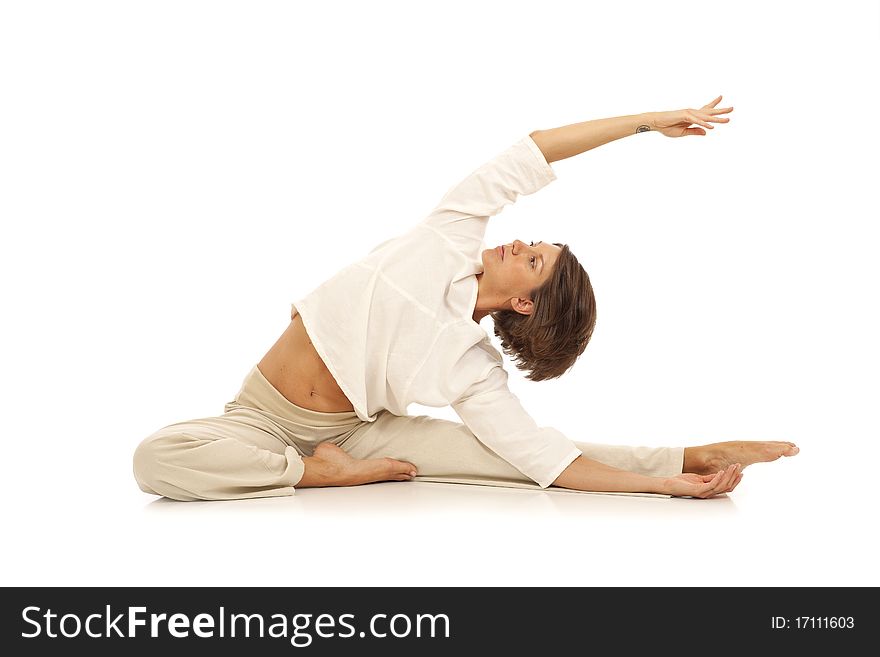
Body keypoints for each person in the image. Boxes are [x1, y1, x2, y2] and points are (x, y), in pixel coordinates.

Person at [132, 95, 798, 502]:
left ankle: (691, 454)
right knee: (156, 458)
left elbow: (547, 460)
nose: (518, 245)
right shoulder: (452, 232)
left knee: (507, 457)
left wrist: (663, 483)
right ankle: (311, 473)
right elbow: (530, 150)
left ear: (527, 305)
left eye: (533, 260)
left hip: (359, 432)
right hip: (259, 416)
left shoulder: (471, 367)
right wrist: (648, 123)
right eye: (533, 242)